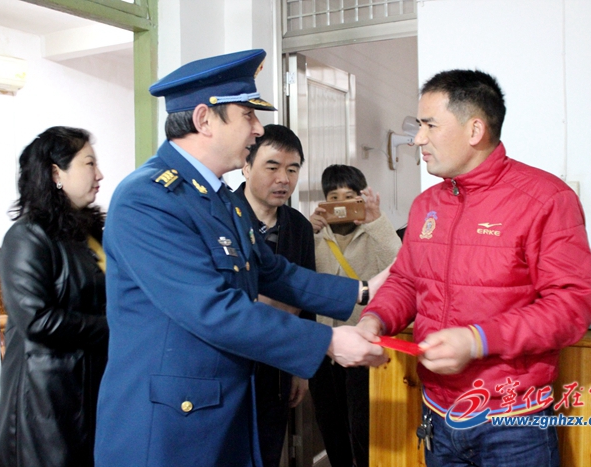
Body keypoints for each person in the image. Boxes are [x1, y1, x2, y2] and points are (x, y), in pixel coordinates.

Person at [93, 49, 388, 467]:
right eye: (248, 115)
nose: (258, 128)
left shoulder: (219, 199)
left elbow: (272, 271)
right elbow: (212, 308)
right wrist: (327, 342)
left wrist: (363, 290)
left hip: (220, 407)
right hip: (168, 426)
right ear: (204, 120)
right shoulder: (149, 198)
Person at [357, 69, 591, 467]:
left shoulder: (546, 198)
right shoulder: (426, 205)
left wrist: (477, 340)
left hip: (513, 423)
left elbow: (572, 306)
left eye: (430, 125)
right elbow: (406, 281)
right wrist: (375, 319)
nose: (418, 139)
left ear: (475, 130)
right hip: (437, 415)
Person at [0, 126, 108, 467]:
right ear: (56, 173)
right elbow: (37, 321)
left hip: (91, 388)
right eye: (89, 163)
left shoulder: (89, 234)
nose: (99, 174)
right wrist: (114, 326)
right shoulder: (27, 236)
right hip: (47, 402)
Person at [233, 124, 316, 467]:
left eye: (292, 169)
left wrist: (301, 367)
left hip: (278, 367)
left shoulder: (299, 226)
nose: (284, 179)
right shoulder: (221, 216)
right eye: (272, 167)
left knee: (269, 451)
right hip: (231, 365)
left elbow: (308, 298)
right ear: (246, 166)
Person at [308, 165, 401, 467]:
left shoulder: (375, 233)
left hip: (364, 344)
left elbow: (400, 264)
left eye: (349, 196)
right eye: (334, 197)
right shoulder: (316, 237)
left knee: (363, 426)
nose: (341, 203)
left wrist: (377, 221)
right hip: (325, 346)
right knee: (330, 423)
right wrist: (306, 231)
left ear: (361, 198)